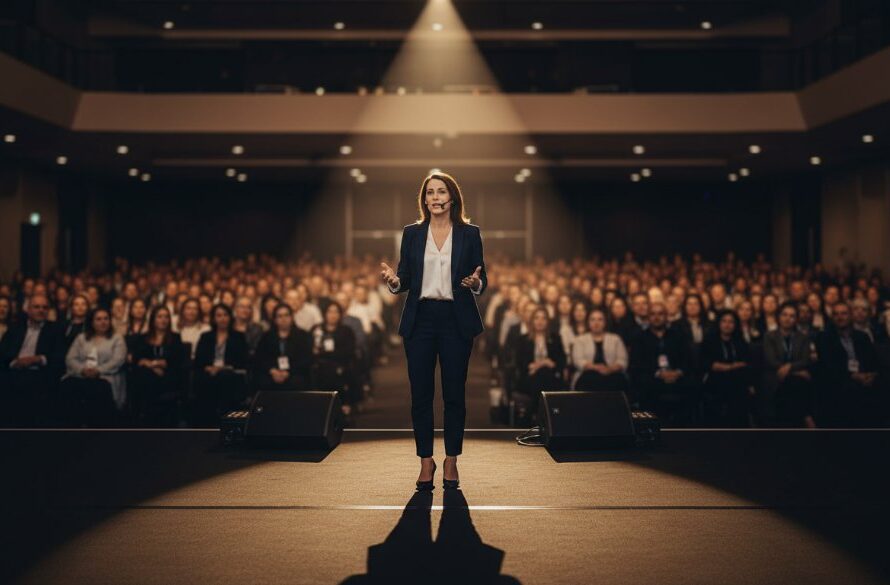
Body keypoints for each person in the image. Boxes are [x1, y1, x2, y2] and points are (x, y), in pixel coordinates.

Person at [380, 171, 487, 491]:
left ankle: (451, 460)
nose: (436, 198)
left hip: (456, 320)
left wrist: (475, 283)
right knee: (421, 396)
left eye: (441, 192)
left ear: (452, 197)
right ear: (424, 199)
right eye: (430, 193)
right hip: (421, 320)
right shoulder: (412, 233)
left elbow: (482, 277)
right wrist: (395, 283)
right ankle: (426, 461)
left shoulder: (470, 233)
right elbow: (405, 277)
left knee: (454, 394)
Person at [0, 293, 65, 426]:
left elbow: (59, 357)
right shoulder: (15, 327)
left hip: (40, 373)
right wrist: (15, 363)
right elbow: (3, 352)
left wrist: (38, 359)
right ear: (28, 309)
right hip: (14, 372)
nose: (41, 310)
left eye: (44, 307)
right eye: (36, 307)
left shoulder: (56, 329)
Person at [816, 302, 882, 427]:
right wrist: (854, 376)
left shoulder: (862, 336)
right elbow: (829, 366)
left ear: (851, 315)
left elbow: (874, 361)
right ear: (832, 318)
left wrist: (872, 375)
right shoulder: (824, 337)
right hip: (840, 380)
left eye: (844, 313)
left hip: (865, 377)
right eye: (836, 314)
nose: (840, 317)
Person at [61, 307, 128, 426]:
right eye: (98, 319)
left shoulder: (117, 338)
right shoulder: (81, 338)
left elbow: (118, 360)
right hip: (81, 375)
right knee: (68, 385)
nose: (103, 322)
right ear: (91, 322)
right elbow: (70, 359)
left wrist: (98, 371)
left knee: (97, 388)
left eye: (106, 319)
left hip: (106, 377)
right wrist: (82, 370)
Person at [192, 303, 249, 427]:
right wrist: (209, 368)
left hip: (230, 373)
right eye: (218, 315)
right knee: (202, 380)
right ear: (213, 318)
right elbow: (199, 361)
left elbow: (242, 361)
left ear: (230, 317)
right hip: (209, 373)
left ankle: (225, 421)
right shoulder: (206, 336)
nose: (222, 318)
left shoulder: (238, 337)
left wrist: (222, 368)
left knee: (225, 377)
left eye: (225, 315)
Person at [129, 305, 186, 427]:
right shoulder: (143, 338)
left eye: (166, 317)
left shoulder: (175, 338)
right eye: (159, 317)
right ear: (153, 320)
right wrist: (153, 366)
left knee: (147, 376)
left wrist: (155, 364)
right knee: (144, 375)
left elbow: (178, 361)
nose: (163, 320)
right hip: (147, 378)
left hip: (168, 377)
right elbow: (137, 359)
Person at [762, 302, 815, 428]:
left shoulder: (803, 337)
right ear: (778, 317)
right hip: (775, 376)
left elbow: (805, 359)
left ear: (796, 319)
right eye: (784, 315)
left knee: (794, 384)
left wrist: (789, 367)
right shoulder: (770, 336)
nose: (787, 318)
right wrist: (796, 370)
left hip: (795, 380)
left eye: (792, 316)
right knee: (796, 383)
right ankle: (806, 417)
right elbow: (771, 361)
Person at [701, 310, 753, 427]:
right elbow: (709, 365)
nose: (727, 324)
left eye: (731, 322)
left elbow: (746, 364)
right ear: (719, 323)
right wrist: (732, 366)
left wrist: (724, 367)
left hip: (737, 382)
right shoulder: (710, 340)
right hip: (716, 381)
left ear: (735, 325)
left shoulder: (740, 341)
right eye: (724, 321)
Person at [515, 306, 566, 421]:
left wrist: (538, 365)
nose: (540, 321)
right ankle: (546, 416)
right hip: (528, 378)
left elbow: (561, 361)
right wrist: (545, 363)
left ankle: (534, 413)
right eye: (537, 318)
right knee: (542, 373)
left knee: (544, 373)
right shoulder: (523, 340)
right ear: (532, 321)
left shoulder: (555, 338)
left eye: (543, 318)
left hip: (551, 377)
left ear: (548, 322)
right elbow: (520, 363)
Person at [309, 302, 358, 411]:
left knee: (336, 372)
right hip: (320, 366)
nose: (333, 315)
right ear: (325, 314)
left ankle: (344, 404)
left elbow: (348, 351)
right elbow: (311, 350)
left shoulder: (346, 331)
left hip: (340, 365)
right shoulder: (317, 330)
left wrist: (325, 353)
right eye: (330, 312)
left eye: (336, 312)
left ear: (340, 314)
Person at [254, 303, 313, 392]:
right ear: (275, 319)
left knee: (298, 381)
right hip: (272, 373)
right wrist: (272, 371)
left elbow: (306, 359)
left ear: (292, 317)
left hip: (294, 373)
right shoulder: (267, 337)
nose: (283, 319)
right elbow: (260, 358)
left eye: (286, 315)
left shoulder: (302, 336)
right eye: (280, 316)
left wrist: (288, 372)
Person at [571, 308, 629, 395]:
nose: (596, 323)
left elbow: (622, 360)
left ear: (605, 322)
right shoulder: (580, 340)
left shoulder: (615, 339)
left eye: (600, 319)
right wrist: (597, 368)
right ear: (588, 322)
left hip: (612, 374)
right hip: (587, 375)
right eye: (593, 319)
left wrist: (610, 369)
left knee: (618, 380)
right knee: (589, 378)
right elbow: (578, 361)